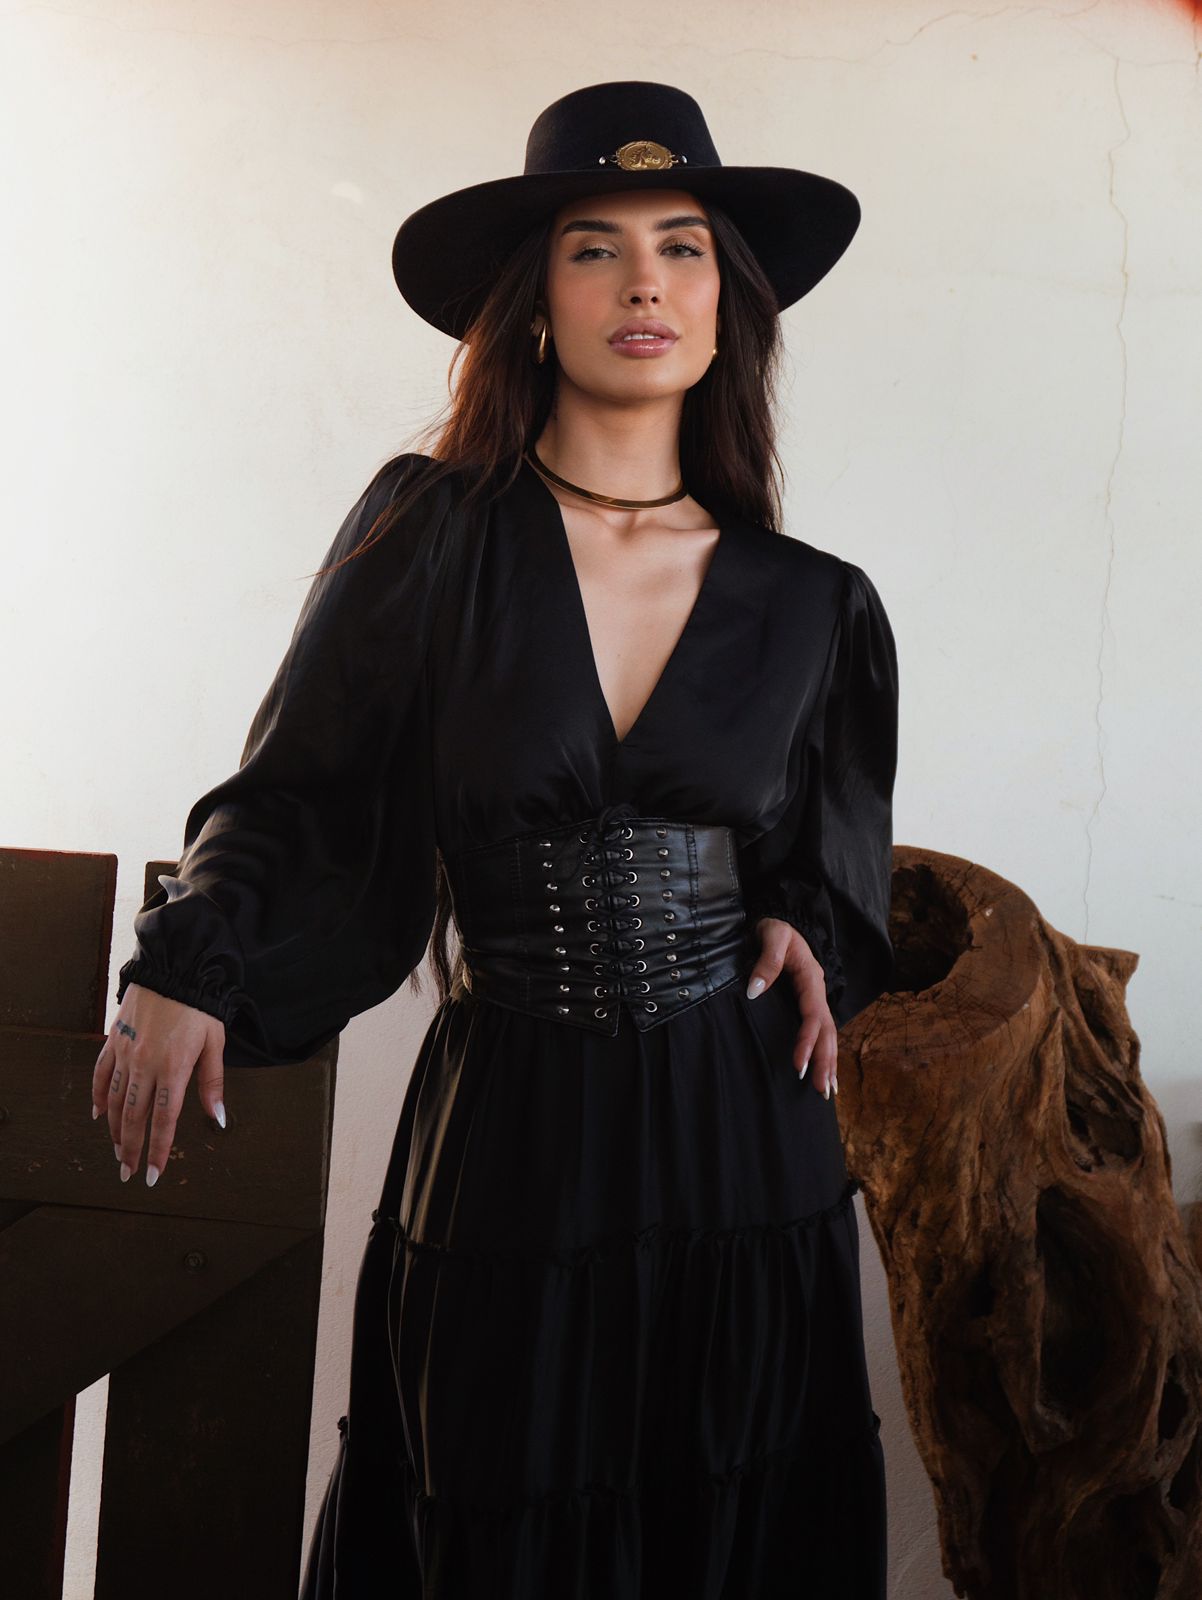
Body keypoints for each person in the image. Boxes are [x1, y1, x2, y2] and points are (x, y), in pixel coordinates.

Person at [95, 80, 899, 1599]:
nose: (644, 283)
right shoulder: (433, 531)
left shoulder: (818, 600)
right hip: (513, 1126)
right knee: (485, 1501)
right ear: (534, 301)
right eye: (595, 249)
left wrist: (803, 911)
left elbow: (834, 847)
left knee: (730, 1520)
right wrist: (187, 965)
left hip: (744, 1133)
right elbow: (299, 789)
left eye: (682, 248)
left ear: (729, 301)